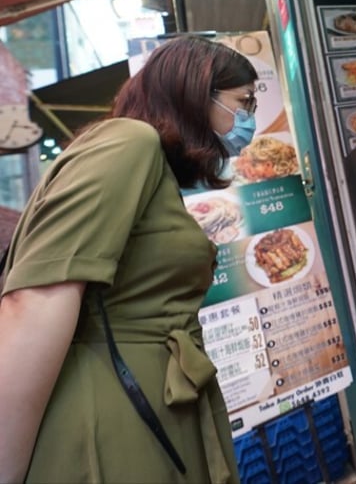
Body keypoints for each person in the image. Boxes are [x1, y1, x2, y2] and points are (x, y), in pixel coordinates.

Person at [0, 36, 258, 483]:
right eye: (244, 102)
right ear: (196, 92)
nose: (248, 118)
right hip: (111, 418)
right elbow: (34, 302)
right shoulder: (128, 140)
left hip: (145, 405)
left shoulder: (149, 162)